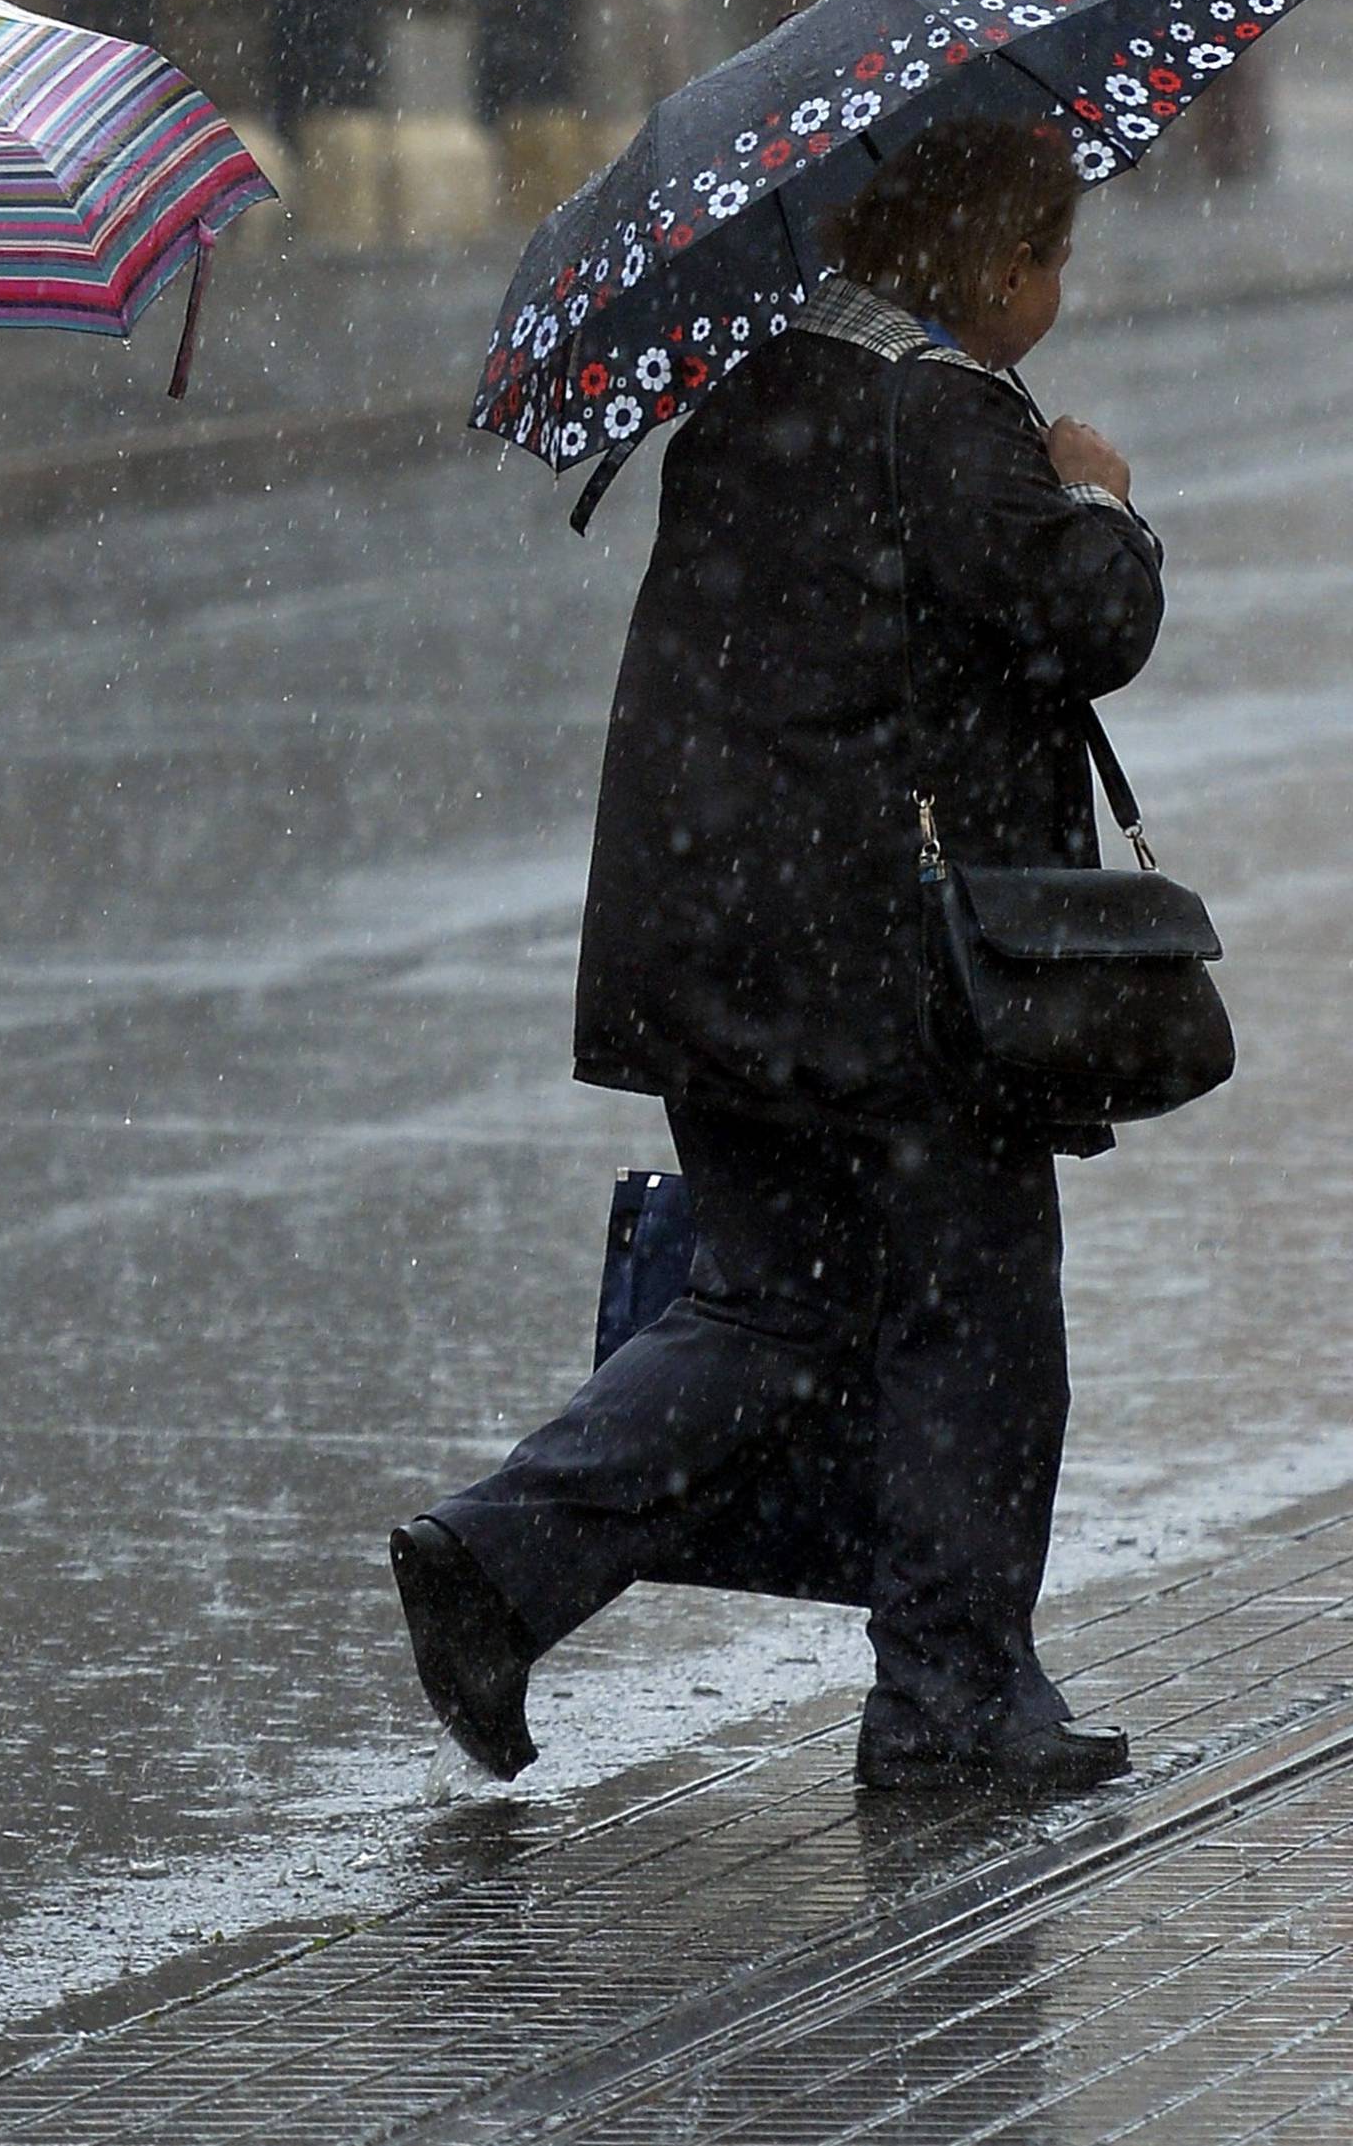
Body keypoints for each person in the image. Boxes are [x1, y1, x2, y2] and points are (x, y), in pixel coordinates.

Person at [392, 117, 1167, 1796]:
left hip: (708, 939)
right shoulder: (950, 413)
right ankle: (948, 1696)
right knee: (975, 1310)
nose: (1057, 289)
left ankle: (497, 1559)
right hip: (892, 974)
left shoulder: (759, 378)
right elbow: (1083, 621)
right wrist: (1105, 504)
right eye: (1053, 258)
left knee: (771, 1303)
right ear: (1002, 270)